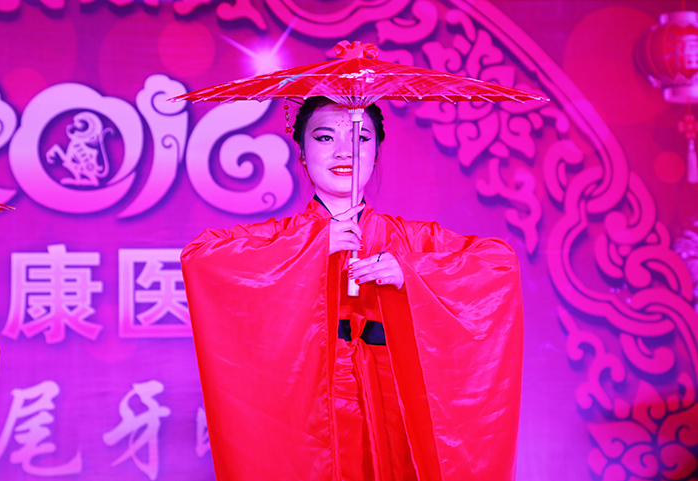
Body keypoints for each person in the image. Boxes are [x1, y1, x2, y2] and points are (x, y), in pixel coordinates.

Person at [181, 97, 524, 481]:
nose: (344, 151)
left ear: (376, 152)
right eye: (325, 137)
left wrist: (412, 272)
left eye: (360, 138)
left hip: (391, 392)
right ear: (302, 152)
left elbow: (498, 263)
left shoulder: (409, 239)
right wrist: (311, 246)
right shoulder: (281, 236)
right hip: (305, 397)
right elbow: (201, 257)